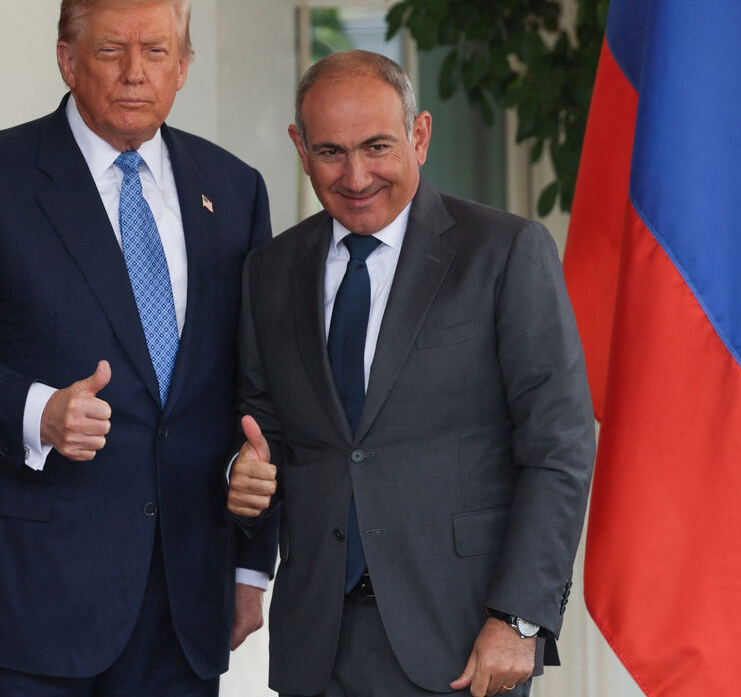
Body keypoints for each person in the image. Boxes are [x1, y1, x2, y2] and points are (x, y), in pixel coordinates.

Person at [0, 0, 276, 694]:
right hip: (16, 593)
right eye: (110, 50)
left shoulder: (234, 189)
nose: (135, 72)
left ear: (183, 66)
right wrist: (37, 411)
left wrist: (250, 565)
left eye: (156, 51)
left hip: (181, 596)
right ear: (67, 60)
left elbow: (255, 381)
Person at [227, 50, 595, 697]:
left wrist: (520, 617)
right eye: (331, 152)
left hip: (464, 641)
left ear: (419, 136)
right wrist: (242, 472)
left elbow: (558, 446)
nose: (356, 175)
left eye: (377, 146)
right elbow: (266, 433)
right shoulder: (270, 271)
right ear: (300, 149)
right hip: (317, 646)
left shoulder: (505, 251)